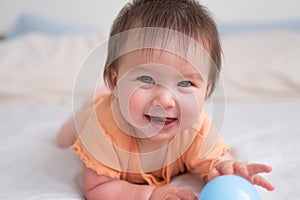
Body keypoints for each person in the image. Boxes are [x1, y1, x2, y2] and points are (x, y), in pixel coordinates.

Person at [56, 0, 274, 199]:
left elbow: (216, 162)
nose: (167, 101)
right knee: (69, 133)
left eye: (185, 84)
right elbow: (97, 188)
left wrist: (230, 172)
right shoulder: (102, 129)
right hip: (97, 112)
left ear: (206, 91)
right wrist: (150, 195)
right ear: (115, 81)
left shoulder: (196, 129)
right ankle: (83, 112)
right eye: (147, 79)